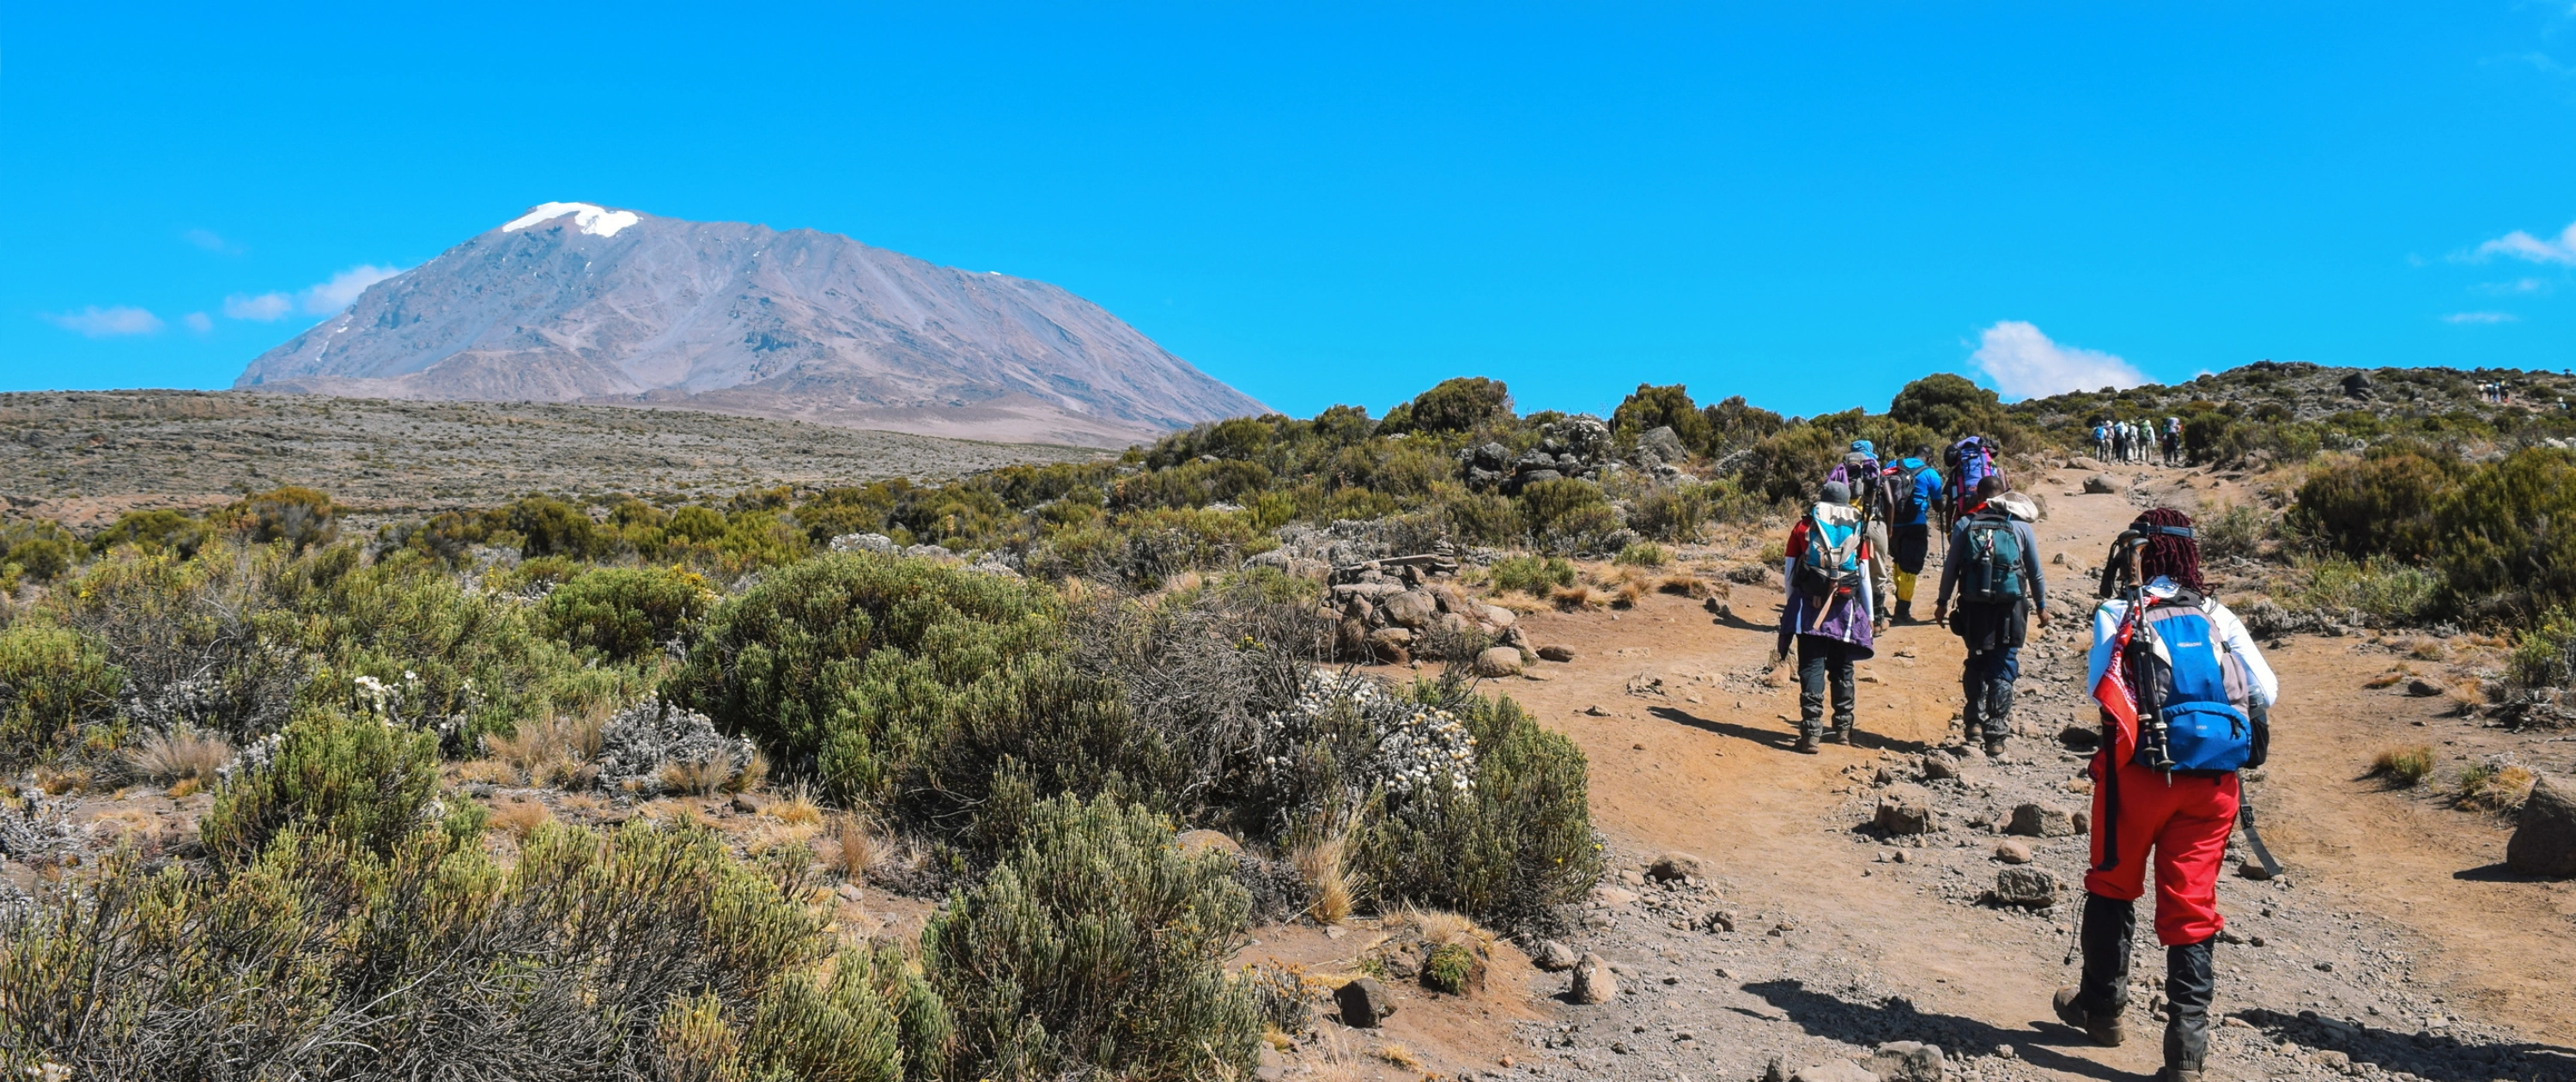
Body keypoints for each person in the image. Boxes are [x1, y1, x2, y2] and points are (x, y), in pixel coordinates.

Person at [2055, 508, 2279, 1082]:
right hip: (2211, 782)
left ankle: (2102, 1011)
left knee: (2113, 885)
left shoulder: (2118, 610)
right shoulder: (2217, 614)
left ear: (2136, 552)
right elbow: (2266, 691)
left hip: (2138, 775)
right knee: (2192, 907)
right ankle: (2186, 1054)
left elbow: (2099, 689)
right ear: (2187, 555)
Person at [1933, 475, 2048, 756]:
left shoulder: (1964, 524)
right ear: (2004, 495)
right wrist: (2042, 606)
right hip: (2011, 606)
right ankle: (1995, 735)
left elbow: (1951, 569)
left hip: (1973, 605)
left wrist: (1942, 602)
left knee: (1977, 657)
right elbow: (2034, 572)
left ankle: (1973, 719)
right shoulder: (2019, 526)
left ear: (1978, 495)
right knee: (2004, 661)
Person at [1776, 480, 1876, 753]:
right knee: (1842, 666)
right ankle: (1843, 729)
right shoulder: (1856, 526)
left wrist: (1793, 603)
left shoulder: (1803, 526)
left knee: (1811, 666)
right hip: (1844, 605)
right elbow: (1864, 576)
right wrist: (1869, 614)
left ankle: (1811, 735)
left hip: (1810, 605)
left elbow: (1788, 571)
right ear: (1846, 501)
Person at [1883, 453, 1943, 622]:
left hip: (1892, 524)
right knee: (1910, 567)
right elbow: (1938, 506)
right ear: (1929, 457)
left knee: (1897, 561)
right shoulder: (1930, 473)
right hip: (1915, 524)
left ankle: (1897, 600)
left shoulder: (1892, 463)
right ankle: (1902, 611)